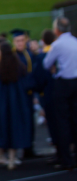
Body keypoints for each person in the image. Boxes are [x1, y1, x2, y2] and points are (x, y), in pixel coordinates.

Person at [0, 42, 33, 170]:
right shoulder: (19, 67)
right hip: (16, 105)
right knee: (13, 132)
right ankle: (11, 161)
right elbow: (27, 85)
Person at [43, 17, 77, 170]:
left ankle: (66, 159)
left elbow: (46, 64)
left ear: (57, 30)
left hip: (63, 83)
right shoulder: (75, 42)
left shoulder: (57, 44)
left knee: (62, 121)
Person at [33, 29, 59, 165]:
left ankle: (60, 151)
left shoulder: (42, 57)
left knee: (54, 125)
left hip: (48, 95)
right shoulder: (59, 53)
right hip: (63, 92)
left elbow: (38, 79)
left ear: (42, 41)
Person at [10, 28, 36, 158]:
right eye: (17, 41)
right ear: (13, 42)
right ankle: (17, 149)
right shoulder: (11, 57)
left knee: (29, 120)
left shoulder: (29, 55)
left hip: (28, 94)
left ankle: (29, 148)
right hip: (16, 95)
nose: (20, 43)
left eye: (22, 40)